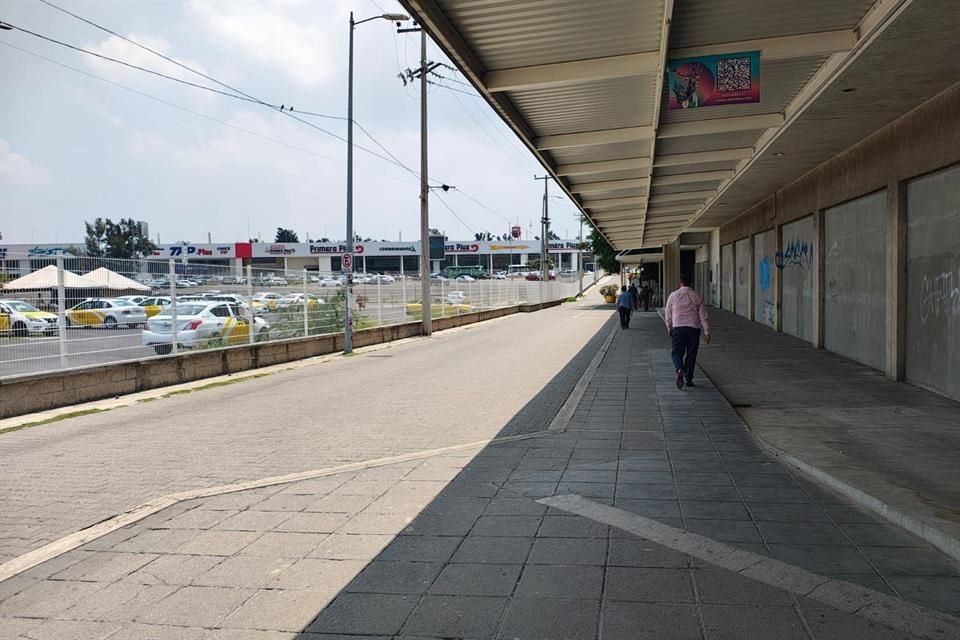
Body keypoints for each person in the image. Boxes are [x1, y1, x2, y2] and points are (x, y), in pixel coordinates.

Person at [664, 274, 711, 389]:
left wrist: (669, 327)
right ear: (691, 282)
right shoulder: (697, 296)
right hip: (693, 329)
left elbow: (668, 313)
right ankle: (689, 378)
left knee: (676, 352)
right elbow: (703, 316)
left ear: (680, 282)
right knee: (691, 354)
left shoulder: (673, 295)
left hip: (678, 328)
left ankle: (679, 368)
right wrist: (706, 332)